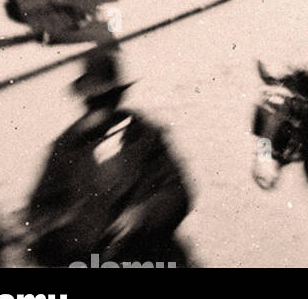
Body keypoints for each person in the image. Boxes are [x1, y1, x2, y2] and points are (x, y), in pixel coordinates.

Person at [25, 46, 193, 267]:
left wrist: (143, 214)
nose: (96, 109)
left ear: (116, 99)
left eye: (103, 100)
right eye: (91, 101)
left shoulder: (144, 137)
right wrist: (70, 225)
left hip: (149, 256)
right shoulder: (67, 147)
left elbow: (177, 192)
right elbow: (39, 210)